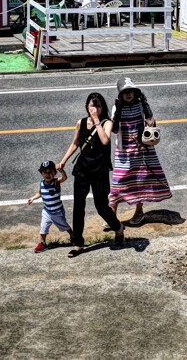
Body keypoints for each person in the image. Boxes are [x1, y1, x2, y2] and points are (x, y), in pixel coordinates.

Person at [58, 93, 124, 257]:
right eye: (92, 105)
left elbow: (105, 141)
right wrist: (63, 161)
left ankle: (118, 227)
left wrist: (96, 121)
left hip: (99, 170)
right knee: (78, 206)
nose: (95, 109)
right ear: (87, 106)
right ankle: (78, 243)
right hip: (82, 169)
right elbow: (75, 143)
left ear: (103, 107)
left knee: (101, 206)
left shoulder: (106, 123)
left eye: (98, 105)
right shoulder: (80, 123)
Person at [108, 76, 171, 226]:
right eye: (125, 92)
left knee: (142, 180)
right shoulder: (117, 107)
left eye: (131, 91)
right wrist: (118, 112)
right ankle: (111, 215)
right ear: (120, 95)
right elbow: (115, 130)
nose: (128, 94)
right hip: (124, 151)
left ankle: (139, 212)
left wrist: (149, 116)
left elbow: (151, 122)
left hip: (142, 149)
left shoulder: (141, 104)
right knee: (118, 182)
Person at [26, 160, 74, 253]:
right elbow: (39, 193)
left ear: (55, 173)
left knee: (64, 226)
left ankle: (73, 236)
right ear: (41, 173)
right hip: (47, 211)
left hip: (57, 212)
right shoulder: (41, 183)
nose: (47, 174)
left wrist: (62, 171)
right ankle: (43, 243)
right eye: (45, 172)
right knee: (43, 228)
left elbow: (64, 178)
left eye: (50, 172)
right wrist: (33, 198)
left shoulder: (56, 182)